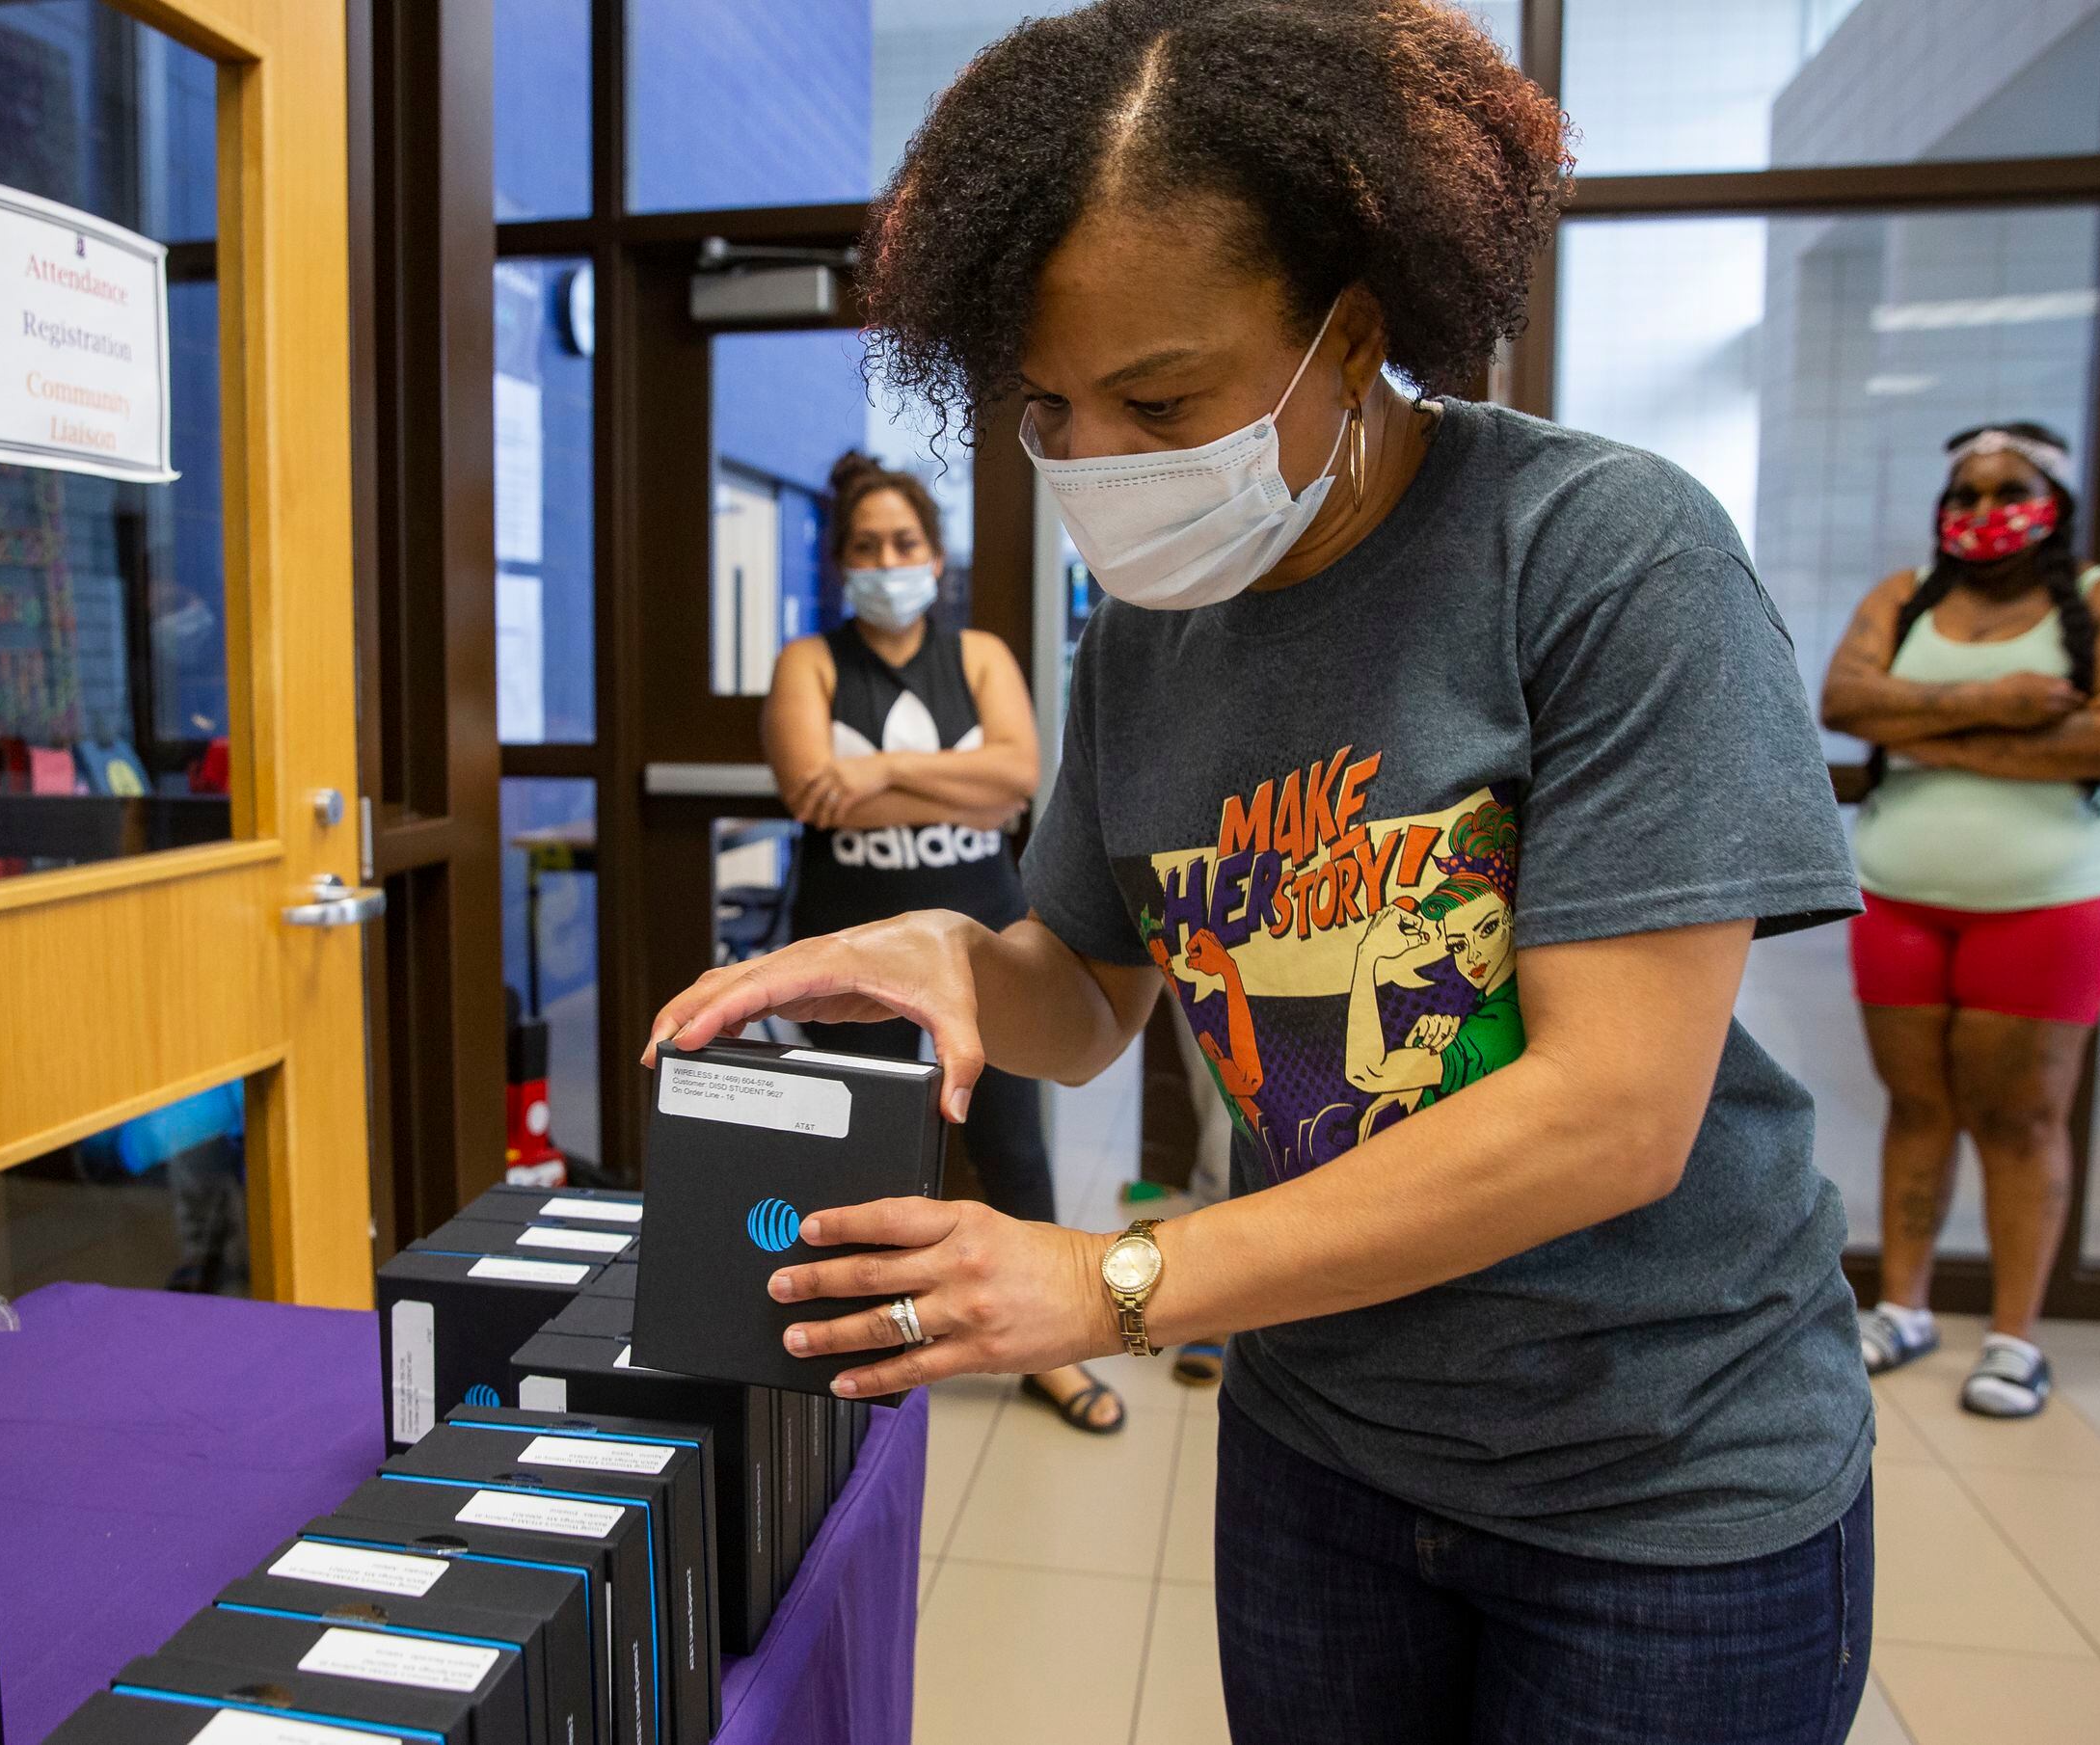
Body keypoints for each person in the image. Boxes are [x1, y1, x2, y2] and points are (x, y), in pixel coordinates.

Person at [650, 3, 1876, 1737]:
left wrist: (1110, 1282)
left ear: (1349, 330)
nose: (1099, 463)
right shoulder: (1149, 636)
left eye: (1161, 398)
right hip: (1323, 1458)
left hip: (1654, 1486)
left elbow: (1613, 1111)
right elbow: (1084, 993)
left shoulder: (1598, 556)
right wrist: (954, 954)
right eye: (1052, 408)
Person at [763, 451, 1126, 1435]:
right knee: (860, 1155)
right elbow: (806, 786)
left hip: (987, 943)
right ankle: (868, 1342)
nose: (889, 560)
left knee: (1012, 1146)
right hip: (851, 953)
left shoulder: (978, 657)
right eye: (868, 546)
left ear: (936, 556)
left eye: (906, 543)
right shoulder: (809, 662)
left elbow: (1014, 777)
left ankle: (1046, 1350)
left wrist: (871, 772)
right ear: (842, 561)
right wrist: (945, 776)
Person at [1820, 423, 2100, 1418]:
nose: (1982, 511)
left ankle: (2014, 1336)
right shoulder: (1903, 598)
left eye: (2007, 489)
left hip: (2044, 909)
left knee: (2020, 1120)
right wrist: (2015, 706)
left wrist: (1929, 726)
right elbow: (1843, 698)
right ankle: (1903, 1305)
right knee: (1915, 1105)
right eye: (1964, 494)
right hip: (1895, 899)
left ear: (2053, 499)